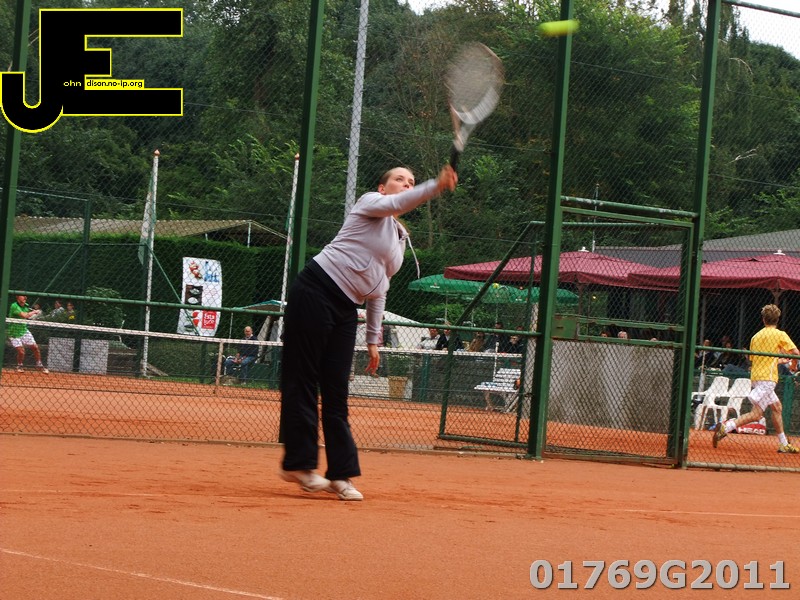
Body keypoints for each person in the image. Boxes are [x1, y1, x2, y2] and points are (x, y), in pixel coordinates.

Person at [279, 164, 457, 501]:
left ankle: (341, 475)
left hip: (347, 309)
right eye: (399, 179)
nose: (406, 184)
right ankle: (299, 465)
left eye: (412, 182)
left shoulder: (399, 237)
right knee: (303, 379)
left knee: (336, 391)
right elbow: (396, 204)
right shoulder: (370, 203)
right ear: (382, 187)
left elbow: (379, 288)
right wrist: (436, 185)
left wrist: (373, 339)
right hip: (316, 290)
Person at [713, 304, 799, 454]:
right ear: (777, 319)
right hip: (768, 379)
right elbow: (796, 353)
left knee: (777, 408)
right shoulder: (780, 334)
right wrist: (792, 365)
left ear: (763, 319)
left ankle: (783, 444)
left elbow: (756, 359)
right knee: (756, 414)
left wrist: (779, 360)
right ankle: (726, 427)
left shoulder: (755, 337)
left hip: (757, 377)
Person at [7, 295, 48, 373]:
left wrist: (36, 313)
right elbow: (24, 315)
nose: (25, 298)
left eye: (25, 296)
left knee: (35, 347)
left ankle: (39, 365)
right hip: (14, 332)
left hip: (24, 330)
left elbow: (28, 316)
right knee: (21, 351)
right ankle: (19, 365)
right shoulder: (14, 306)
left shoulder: (26, 306)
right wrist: (34, 312)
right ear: (18, 297)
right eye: (22, 296)